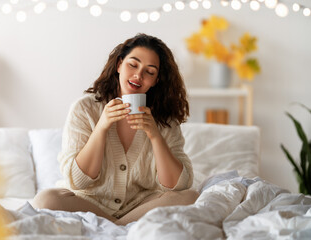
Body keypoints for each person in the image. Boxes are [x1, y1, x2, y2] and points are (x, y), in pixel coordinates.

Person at [32, 33, 199, 225]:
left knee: (190, 197)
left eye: (149, 72)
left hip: (141, 206)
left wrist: (155, 135)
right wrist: (102, 127)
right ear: (119, 65)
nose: (139, 75)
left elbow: (177, 185)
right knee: (45, 200)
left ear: (156, 80)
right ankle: (122, 227)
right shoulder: (85, 108)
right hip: (88, 203)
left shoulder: (165, 120)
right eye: (133, 65)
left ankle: (112, 227)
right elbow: (78, 182)